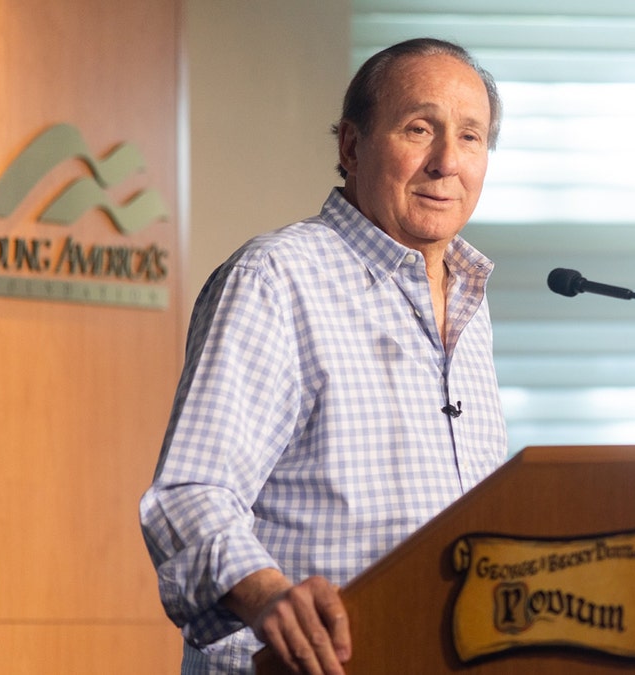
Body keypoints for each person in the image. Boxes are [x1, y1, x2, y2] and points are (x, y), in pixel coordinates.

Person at [139, 38, 509, 675]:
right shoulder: (276, 279)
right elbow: (189, 495)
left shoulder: (468, 297)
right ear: (350, 145)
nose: (447, 161)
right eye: (419, 129)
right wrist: (268, 597)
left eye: (471, 136)